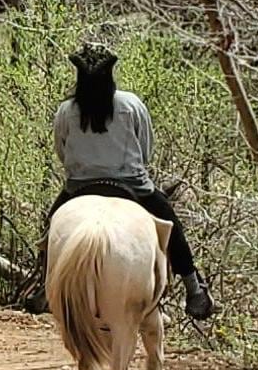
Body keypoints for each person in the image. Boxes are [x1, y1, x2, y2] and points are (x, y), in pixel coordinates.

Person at [40, 40, 214, 321]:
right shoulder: (131, 104)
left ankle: (44, 284)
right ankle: (193, 285)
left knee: (50, 231)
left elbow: (62, 151)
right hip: (132, 186)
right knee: (170, 222)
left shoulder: (66, 111)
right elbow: (146, 149)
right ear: (110, 74)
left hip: (79, 188)